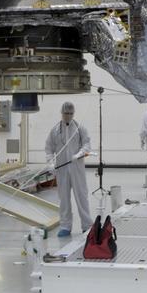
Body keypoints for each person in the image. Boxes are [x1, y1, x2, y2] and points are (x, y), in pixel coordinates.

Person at [45, 101, 92, 237]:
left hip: (77, 168)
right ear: (62, 113)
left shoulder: (79, 128)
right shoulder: (54, 130)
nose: (68, 116)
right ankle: (65, 226)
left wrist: (79, 154)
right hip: (62, 170)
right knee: (64, 198)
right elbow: (49, 148)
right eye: (66, 113)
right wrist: (50, 163)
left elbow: (87, 145)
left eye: (71, 113)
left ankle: (87, 225)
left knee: (81, 196)